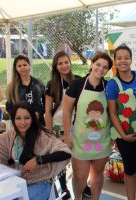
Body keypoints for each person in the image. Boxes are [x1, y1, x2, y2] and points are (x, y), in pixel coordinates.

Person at [0, 102, 71, 200]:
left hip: (41, 183)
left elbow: (66, 152)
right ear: (13, 119)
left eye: (26, 118)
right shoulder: (12, 134)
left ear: (32, 119)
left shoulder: (42, 136)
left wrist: (38, 160)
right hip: (19, 181)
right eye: (18, 118)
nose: (22, 122)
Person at [63, 51, 113, 200]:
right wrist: (67, 135)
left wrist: (114, 137)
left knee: (97, 174)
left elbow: (113, 113)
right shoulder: (77, 84)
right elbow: (67, 111)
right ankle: (77, 198)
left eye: (105, 67)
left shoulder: (109, 86)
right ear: (92, 64)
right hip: (80, 140)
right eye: (98, 64)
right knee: (80, 176)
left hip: (102, 140)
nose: (100, 69)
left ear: (108, 70)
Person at [106, 45, 136, 200]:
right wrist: (123, 136)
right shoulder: (112, 84)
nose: (123, 61)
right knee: (130, 170)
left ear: (131, 59)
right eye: (119, 58)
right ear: (115, 62)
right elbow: (112, 113)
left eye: (126, 57)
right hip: (125, 133)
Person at [45, 51, 81, 199]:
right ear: (55, 66)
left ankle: (81, 186)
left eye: (66, 62)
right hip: (58, 126)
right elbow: (47, 111)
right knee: (61, 159)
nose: (64, 65)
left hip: (77, 125)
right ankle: (64, 188)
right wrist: (49, 133)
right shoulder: (52, 84)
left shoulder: (78, 80)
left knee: (79, 158)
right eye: (60, 63)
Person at [6, 55, 45, 124]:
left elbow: (46, 103)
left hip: (38, 122)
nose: (23, 67)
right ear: (16, 68)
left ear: (29, 66)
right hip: (21, 124)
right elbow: (9, 106)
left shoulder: (39, 83)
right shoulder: (12, 87)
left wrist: (39, 113)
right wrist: (18, 117)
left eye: (25, 65)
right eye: (19, 66)